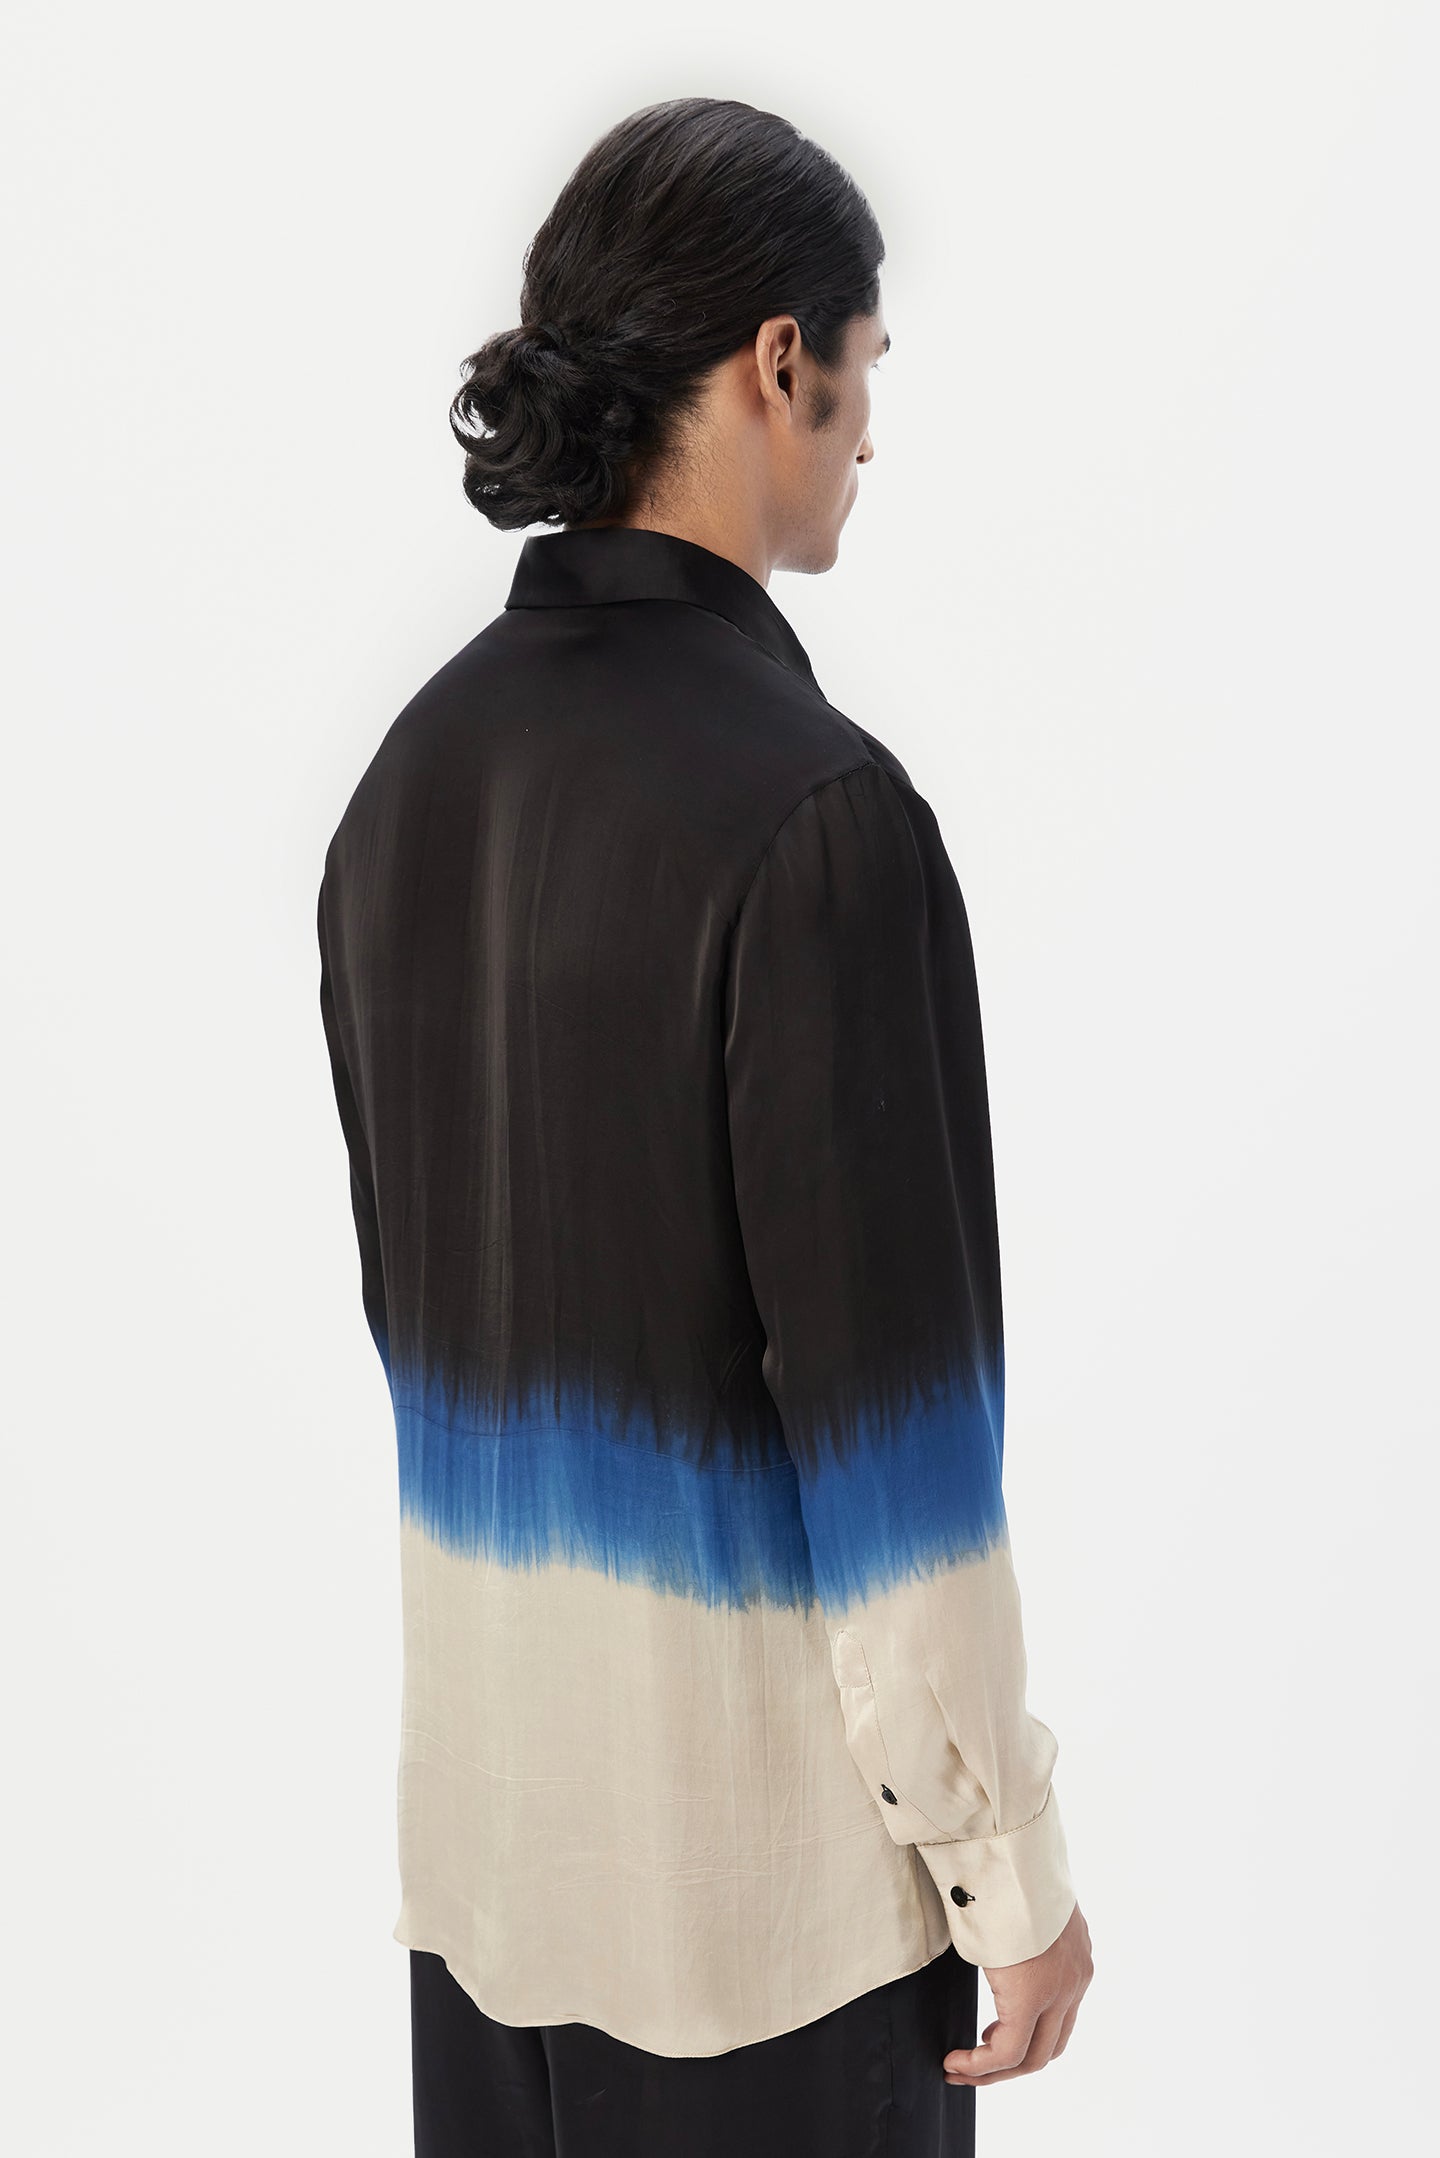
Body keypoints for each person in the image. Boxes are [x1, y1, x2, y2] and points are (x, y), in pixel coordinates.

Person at [316, 94, 1093, 2158]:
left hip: (487, 1911)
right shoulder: (818, 819)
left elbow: (412, 1323)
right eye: (864, 375)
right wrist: (1011, 1875)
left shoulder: (407, 788)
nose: (869, 434)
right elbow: (896, 1449)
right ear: (776, 361)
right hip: (773, 1953)